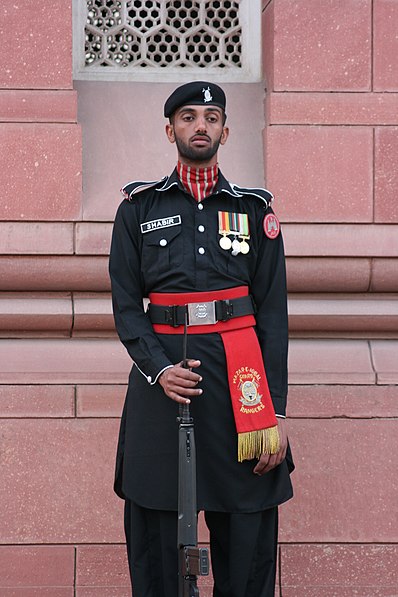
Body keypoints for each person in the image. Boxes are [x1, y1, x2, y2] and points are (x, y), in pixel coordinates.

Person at [109, 81, 294, 597]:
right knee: (157, 518)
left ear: (225, 131)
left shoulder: (256, 213)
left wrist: (275, 411)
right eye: (188, 117)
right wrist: (159, 369)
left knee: (247, 519)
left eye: (211, 117)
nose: (200, 126)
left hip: (242, 382)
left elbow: (273, 315)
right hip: (164, 378)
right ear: (170, 129)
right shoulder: (138, 209)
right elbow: (126, 306)